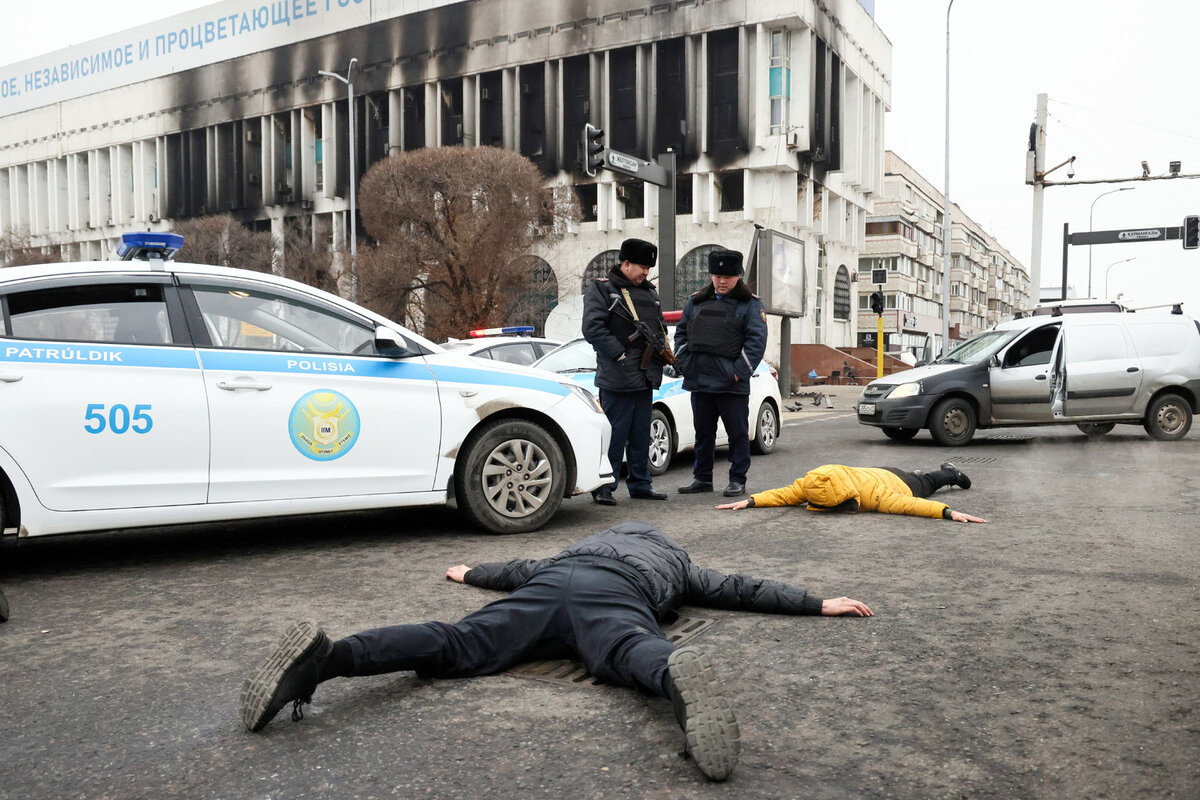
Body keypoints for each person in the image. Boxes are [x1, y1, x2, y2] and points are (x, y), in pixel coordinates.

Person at [239, 521, 873, 782]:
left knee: (456, 642)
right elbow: (740, 589)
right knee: (632, 650)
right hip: (614, 598)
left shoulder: (578, 546)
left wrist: (471, 572)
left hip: (550, 587)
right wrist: (817, 601)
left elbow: (518, 567)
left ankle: (327, 659)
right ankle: (678, 683)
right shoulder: (675, 561)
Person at [582, 238, 672, 504]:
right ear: (626, 263)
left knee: (641, 432)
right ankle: (604, 486)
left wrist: (663, 352)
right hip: (618, 375)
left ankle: (641, 483)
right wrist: (619, 353)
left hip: (645, 375)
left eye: (648, 268)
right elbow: (593, 328)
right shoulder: (602, 289)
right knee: (615, 433)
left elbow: (659, 328)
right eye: (641, 267)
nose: (645, 272)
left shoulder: (650, 293)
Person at [673, 249, 767, 498]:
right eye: (717, 275)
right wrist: (684, 363)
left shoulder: (751, 304)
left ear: (738, 276)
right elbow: (682, 334)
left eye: (728, 276)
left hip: (731, 384)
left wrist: (737, 373)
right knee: (703, 433)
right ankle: (702, 478)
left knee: (737, 434)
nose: (722, 281)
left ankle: (738, 479)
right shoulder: (696, 301)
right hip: (700, 380)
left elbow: (756, 343)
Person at [716, 461, 987, 523]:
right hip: (872, 470)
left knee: (927, 484)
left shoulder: (874, 495)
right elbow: (783, 494)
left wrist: (949, 512)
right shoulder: (813, 483)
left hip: (895, 482)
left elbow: (910, 505)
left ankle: (952, 474)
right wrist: (750, 502)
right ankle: (922, 473)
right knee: (918, 477)